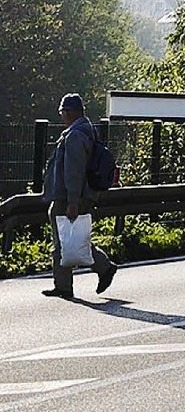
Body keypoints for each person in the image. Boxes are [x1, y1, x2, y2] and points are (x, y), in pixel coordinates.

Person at [41, 93, 118, 299]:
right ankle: (97, 270)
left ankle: (71, 282)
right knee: (73, 240)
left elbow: (74, 171)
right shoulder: (88, 131)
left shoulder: (75, 135)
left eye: (63, 112)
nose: (62, 116)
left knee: (65, 240)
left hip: (70, 197)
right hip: (81, 195)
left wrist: (73, 201)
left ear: (70, 112)